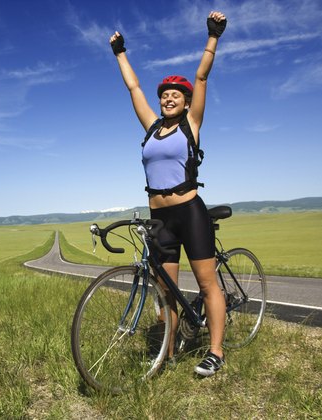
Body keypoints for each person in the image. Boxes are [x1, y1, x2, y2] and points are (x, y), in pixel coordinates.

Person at [109, 11, 228, 377]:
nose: (169, 98)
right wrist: (119, 53)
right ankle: (169, 351)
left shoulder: (191, 124)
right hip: (159, 218)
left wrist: (213, 36)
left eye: (176, 95)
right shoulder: (151, 127)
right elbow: (134, 89)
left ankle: (216, 352)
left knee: (207, 283)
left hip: (188, 211)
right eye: (166, 95)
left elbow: (202, 76)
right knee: (167, 290)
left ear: (187, 103)